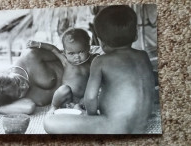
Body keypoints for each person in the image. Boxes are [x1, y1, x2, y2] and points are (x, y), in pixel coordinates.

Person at [43, 5, 155, 134]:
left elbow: (90, 98)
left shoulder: (100, 61)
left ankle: (52, 112)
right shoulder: (143, 55)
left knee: (50, 123)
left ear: (101, 42)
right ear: (135, 35)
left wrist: (90, 116)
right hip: (142, 123)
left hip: (115, 126)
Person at [27, 28, 97, 113]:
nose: (77, 57)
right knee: (63, 89)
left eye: (81, 52)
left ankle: (77, 107)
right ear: (65, 52)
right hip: (66, 98)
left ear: (88, 48)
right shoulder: (66, 61)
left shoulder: (92, 62)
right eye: (71, 53)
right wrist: (38, 44)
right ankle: (54, 106)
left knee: (92, 96)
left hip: (83, 98)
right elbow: (53, 49)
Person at [0, 49, 64, 115]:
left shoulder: (30, 56)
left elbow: (64, 54)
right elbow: (29, 108)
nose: (25, 86)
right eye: (20, 92)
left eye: (17, 81)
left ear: (8, 73)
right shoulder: (18, 98)